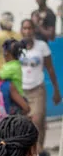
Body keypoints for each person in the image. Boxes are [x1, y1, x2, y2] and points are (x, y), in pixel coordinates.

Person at [17, 17, 61, 147]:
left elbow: (50, 68)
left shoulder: (42, 46)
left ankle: (38, 153)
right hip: (21, 91)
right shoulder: (17, 47)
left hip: (37, 90)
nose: (27, 31)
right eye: (25, 28)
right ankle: (32, 151)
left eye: (30, 28)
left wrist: (56, 91)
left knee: (37, 120)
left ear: (34, 30)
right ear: (21, 31)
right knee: (25, 124)